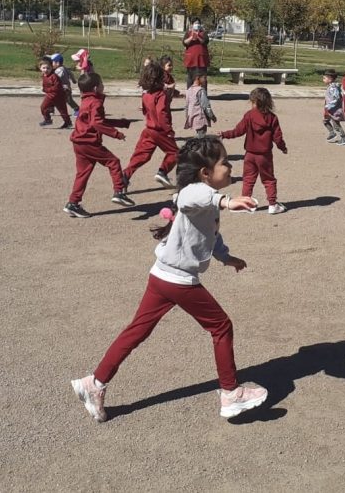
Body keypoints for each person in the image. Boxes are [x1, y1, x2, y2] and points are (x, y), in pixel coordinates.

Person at [70, 137, 268, 422]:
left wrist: (227, 258)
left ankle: (94, 383)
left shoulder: (205, 202)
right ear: (205, 173)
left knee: (137, 330)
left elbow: (210, 236)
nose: (229, 165)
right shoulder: (195, 194)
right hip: (178, 280)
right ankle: (230, 393)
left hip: (161, 275)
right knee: (221, 327)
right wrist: (225, 201)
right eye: (224, 162)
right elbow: (189, 196)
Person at [64, 72, 135, 218]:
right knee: (113, 162)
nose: (104, 86)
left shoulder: (86, 100)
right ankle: (119, 192)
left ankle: (73, 203)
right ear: (96, 88)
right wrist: (116, 133)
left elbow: (97, 121)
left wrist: (120, 123)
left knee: (82, 173)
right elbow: (97, 123)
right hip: (88, 142)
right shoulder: (95, 102)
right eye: (102, 83)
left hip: (79, 142)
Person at [218, 87, 288, 214]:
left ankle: (245, 204)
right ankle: (272, 204)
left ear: (253, 101)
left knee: (248, 179)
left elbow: (237, 131)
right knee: (268, 179)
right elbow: (277, 137)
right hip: (265, 156)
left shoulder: (249, 116)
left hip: (249, 154)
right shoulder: (272, 118)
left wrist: (224, 134)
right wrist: (283, 148)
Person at [123, 61, 179, 190]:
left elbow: (144, 111)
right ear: (160, 79)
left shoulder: (146, 95)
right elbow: (161, 113)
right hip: (160, 130)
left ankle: (124, 176)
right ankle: (162, 172)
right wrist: (168, 129)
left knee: (141, 156)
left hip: (148, 130)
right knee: (175, 153)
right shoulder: (161, 95)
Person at [39, 59, 72, 128]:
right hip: (51, 95)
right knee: (44, 107)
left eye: (48, 68)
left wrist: (47, 89)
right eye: (44, 68)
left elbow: (57, 87)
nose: (46, 70)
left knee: (62, 110)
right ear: (40, 68)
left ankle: (67, 122)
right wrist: (44, 89)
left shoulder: (54, 76)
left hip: (57, 95)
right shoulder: (44, 75)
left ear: (52, 68)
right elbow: (45, 85)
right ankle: (48, 119)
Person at [322, 69, 345, 145]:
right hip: (329, 109)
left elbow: (337, 98)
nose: (323, 80)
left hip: (334, 110)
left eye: (324, 78)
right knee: (325, 121)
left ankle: (344, 138)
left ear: (330, 79)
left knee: (336, 125)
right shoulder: (331, 86)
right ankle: (332, 133)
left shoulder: (333, 88)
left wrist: (328, 105)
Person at [183, 19, 211, 88]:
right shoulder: (188, 33)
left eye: (198, 23)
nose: (197, 25)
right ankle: (190, 93)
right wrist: (192, 37)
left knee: (202, 78)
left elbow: (205, 42)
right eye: (195, 23)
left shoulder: (203, 33)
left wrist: (198, 36)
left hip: (201, 59)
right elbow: (184, 42)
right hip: (191, 59)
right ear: (192, 25)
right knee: (190, 77)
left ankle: (203, 93)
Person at [184, 71, 212, 138]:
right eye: (204, 78)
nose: (205, 80)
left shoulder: (189, 90)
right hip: (201, 118)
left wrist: (187, 116)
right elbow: (205, 105)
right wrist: (211, 116)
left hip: (193, 117)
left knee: (199, 134)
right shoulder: (201, 91)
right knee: (201, 137)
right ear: (197, 78)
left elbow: (187, 105)